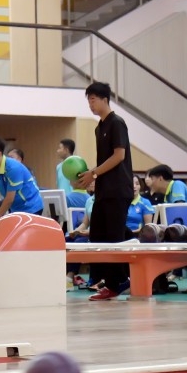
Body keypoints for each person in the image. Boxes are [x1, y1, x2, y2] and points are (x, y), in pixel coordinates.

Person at [73, 82, 134, 301]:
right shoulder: (99, 127)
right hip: (104, 191)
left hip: (119, 190)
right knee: (98, 235)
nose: (90, 104)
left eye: (93, 99)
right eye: (88, 100)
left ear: (105, 99)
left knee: (114, 238)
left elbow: (119, 156)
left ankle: (116, 283)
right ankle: (116, 281)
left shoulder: (117, 123)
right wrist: (91, 178)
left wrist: (94, 173)